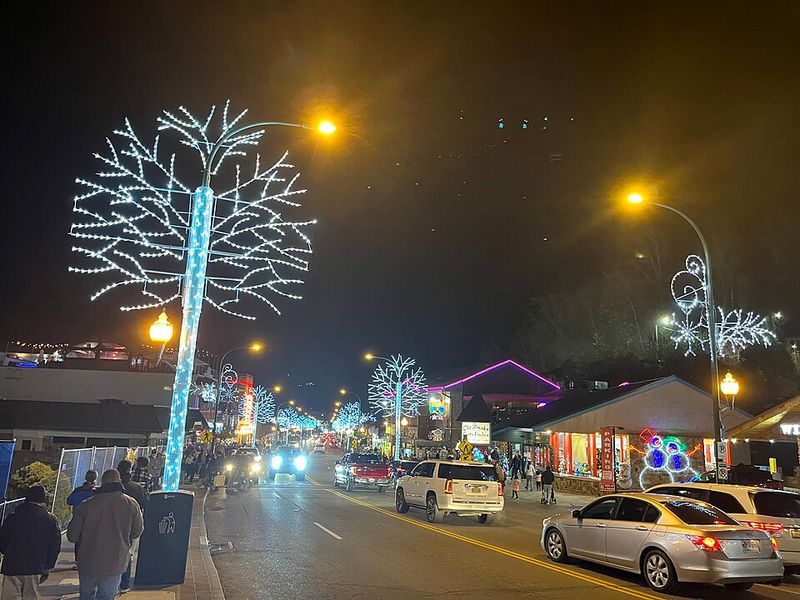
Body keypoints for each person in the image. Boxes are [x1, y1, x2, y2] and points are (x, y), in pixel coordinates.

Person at [67, 469, 144, 600]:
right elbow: (137, 531)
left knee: (86, 596)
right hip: (115, 561)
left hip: (88, 561)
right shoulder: (131, 504)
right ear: (119, 481)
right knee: (107, 596)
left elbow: (72, 536)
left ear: (102, 483)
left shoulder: (87, 505)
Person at [0, 486, 61, 600]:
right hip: (35, 566)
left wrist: (7, 552)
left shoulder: (13, 517)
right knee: (31, 596)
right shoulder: (50, 520)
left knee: (9, 596)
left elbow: (3, 541)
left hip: (12, 564)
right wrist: (48, 566)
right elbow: (54, 546)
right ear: (44, 500)